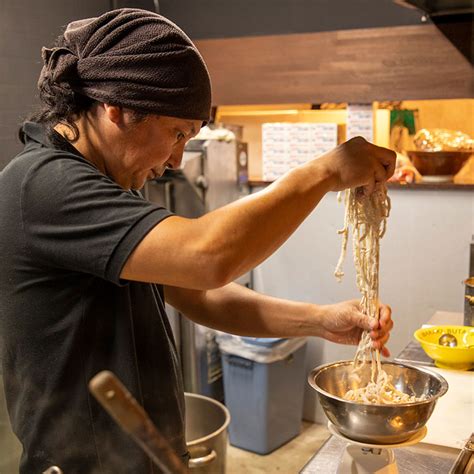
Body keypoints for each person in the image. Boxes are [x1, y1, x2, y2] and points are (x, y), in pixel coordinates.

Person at [0, 8, 395, 474]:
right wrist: (324, 172)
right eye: (177, 133)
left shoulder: (104, 181)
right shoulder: (43, 186)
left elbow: (197, 293)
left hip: (144, 457)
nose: (176, 160)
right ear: (117, 109)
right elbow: (207, 258)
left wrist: (320, 321)